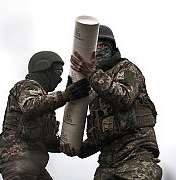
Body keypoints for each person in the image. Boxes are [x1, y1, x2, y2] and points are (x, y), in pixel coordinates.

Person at [61, 25, 163, 180]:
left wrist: (91, 73)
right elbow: (102, 131)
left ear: (112, 49)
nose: (98, 49)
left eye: (103, 45)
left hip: (135, 156)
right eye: (95, 46)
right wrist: (78, 148)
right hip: (107, 163)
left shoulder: (127, 69)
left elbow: (124, 98)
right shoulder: (93, 86)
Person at [0, 51, 91, 180]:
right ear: (44, 69)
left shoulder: (45, 103)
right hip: (18, 157)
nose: (60, 79)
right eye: (58, 73)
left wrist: (69, 145)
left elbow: (47, 141)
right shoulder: (26, 85)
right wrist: (66, 95)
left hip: (35, 161)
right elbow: (30, 106)